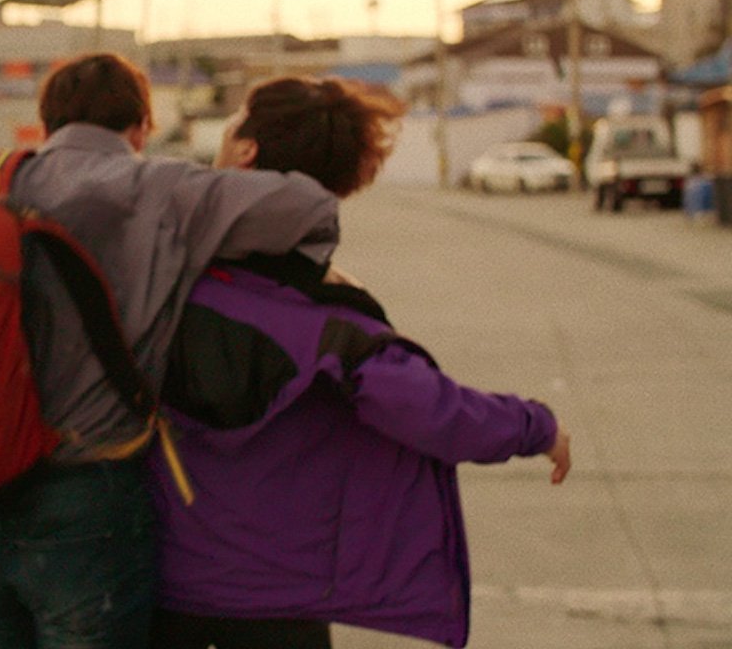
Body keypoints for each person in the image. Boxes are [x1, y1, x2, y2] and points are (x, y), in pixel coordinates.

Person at [0, 53, 341, 649]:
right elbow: (312, 209)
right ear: (140, 126)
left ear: (47, 120)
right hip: (86, 500)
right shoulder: (166, 189)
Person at [148, 76, 572, 649]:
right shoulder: (335, 324)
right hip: (281, 601)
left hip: (159, 588)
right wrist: (533, 425)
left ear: (245, 151)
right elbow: (427, 407)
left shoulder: (155, 284)